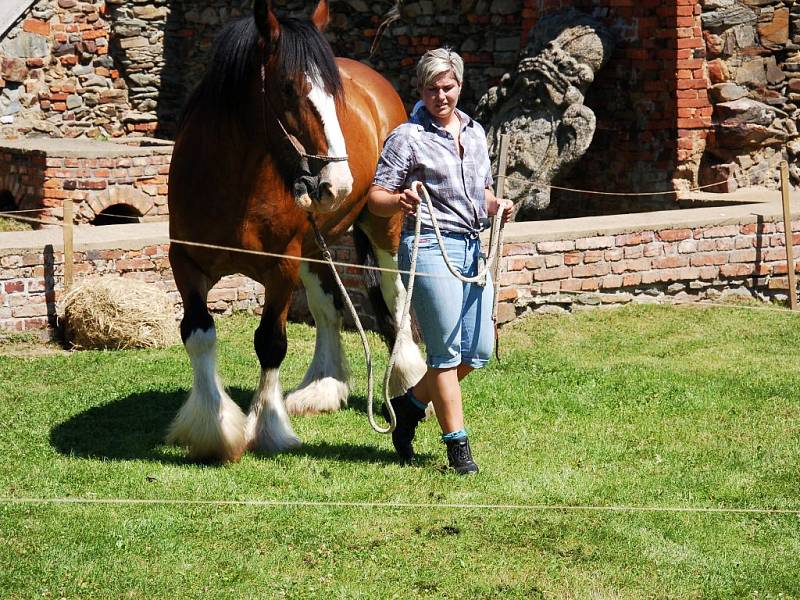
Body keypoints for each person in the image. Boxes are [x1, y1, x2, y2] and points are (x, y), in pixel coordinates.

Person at [367, 48, 513, 474]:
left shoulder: (476, 133)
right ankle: (458, 448)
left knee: (479, 351)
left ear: (460, 86)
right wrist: (398, 199)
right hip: (429, 246)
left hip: (471, 248)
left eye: (447, 87)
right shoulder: (407, 137)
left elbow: (480, 195)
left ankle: (409, 406)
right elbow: (375, 198)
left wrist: (496, 205)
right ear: (421, 90)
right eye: (432, 89)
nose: (441, 96)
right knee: (446, 354)